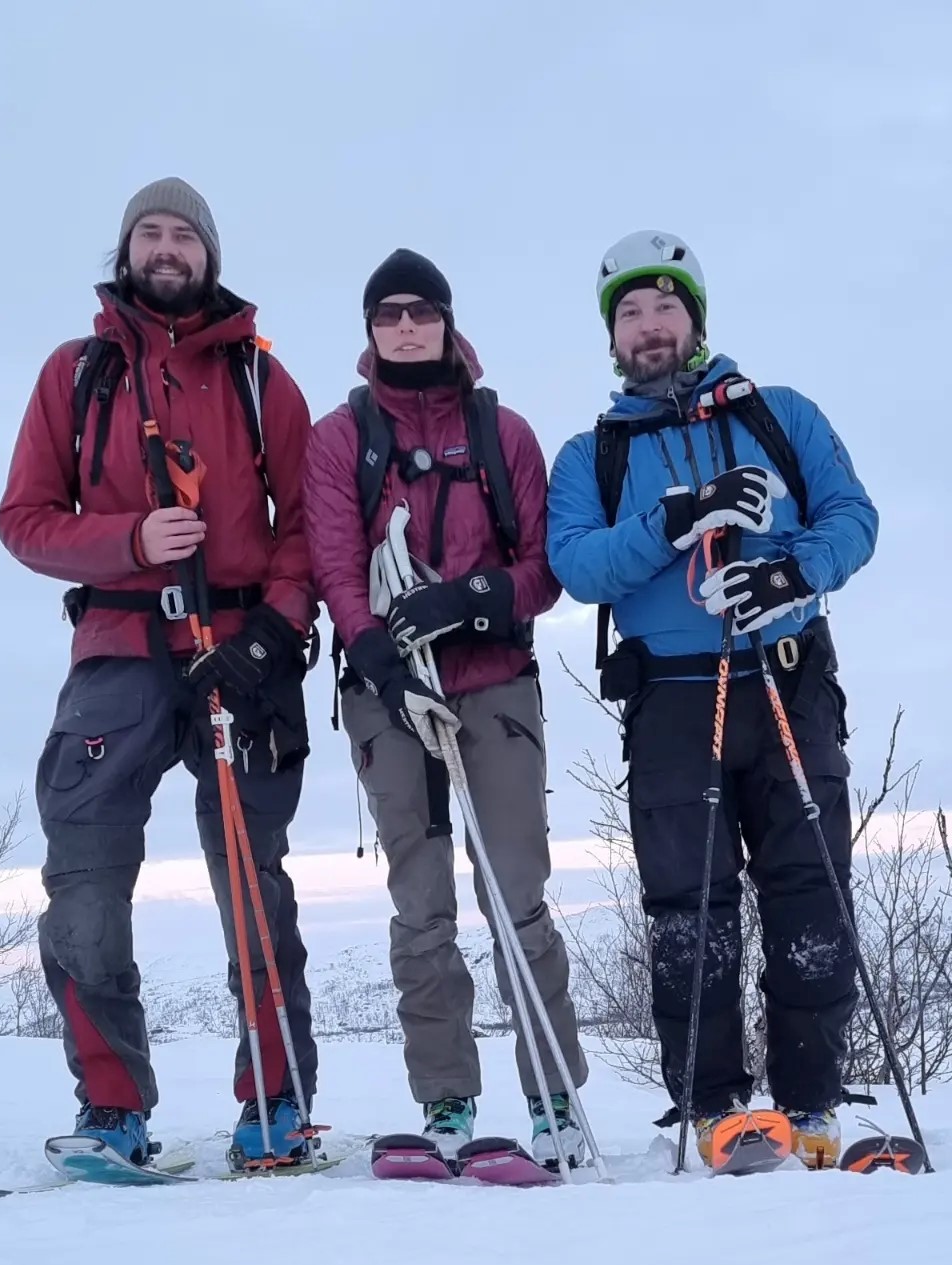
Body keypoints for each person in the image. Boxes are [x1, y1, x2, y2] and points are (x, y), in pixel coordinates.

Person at [0, 177, 319, 1170]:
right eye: (150, 232)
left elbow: (310, 527)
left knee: (252, 881)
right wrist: (129, 537)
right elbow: (24, 520)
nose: (167, 247)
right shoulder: (75, 372)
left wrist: (273, 629)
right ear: (126, 251)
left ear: (210, 254)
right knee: (85, 880)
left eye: (184, 233)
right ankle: (112, 1108)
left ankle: (278, 1099)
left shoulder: (265, 381)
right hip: (116, 654)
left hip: (240, 652)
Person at [545, 229, 879, 1170]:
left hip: (786, 677)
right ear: (612, 336)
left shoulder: (781, 415)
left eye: (665, 307)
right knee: (688, 910)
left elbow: (854, 517)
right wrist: (672, 522)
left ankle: (811, 1102)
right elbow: (576, 563)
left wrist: (790, 575)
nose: (649, 327)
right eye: (630, 313)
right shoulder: (595, 453)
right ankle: (715, 1106)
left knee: (812, 890)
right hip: (673, 698)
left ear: (695, 317)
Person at [303, 248, 589, 1166]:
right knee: (420, 906)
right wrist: (375, 647)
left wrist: (467, 600)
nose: (406, 327)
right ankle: (447, 1101)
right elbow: (334, 557)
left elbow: (545, 567)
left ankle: (553, 1097)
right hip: (391, 695)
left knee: (518, 894)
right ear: (371, 331)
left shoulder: (502, 432)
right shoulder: (340, 437)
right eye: (388, 314)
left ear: (447, 322)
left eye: (420, 311)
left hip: (494, 684)